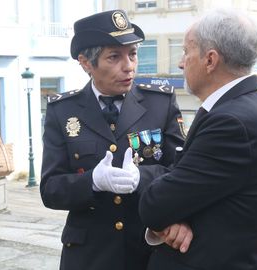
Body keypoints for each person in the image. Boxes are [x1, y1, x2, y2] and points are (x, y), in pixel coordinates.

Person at [40, 9, 188, 270]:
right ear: (86, 62)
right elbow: (50, 190)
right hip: (89, 255)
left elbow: (182, 170)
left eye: (132, 54)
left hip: (148, 249)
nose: (128, 66)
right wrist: (92, 182)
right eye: (114, 57)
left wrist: (142, 179)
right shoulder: (62, 111)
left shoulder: (159, 103)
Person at [138, 8, 257, 270]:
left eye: (186, 51)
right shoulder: (234, 109)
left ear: (210, 60)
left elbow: (156, 203)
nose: (181, 62)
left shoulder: (232, 123)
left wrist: (167, 213)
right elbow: (184, 185)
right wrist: (173, 218)